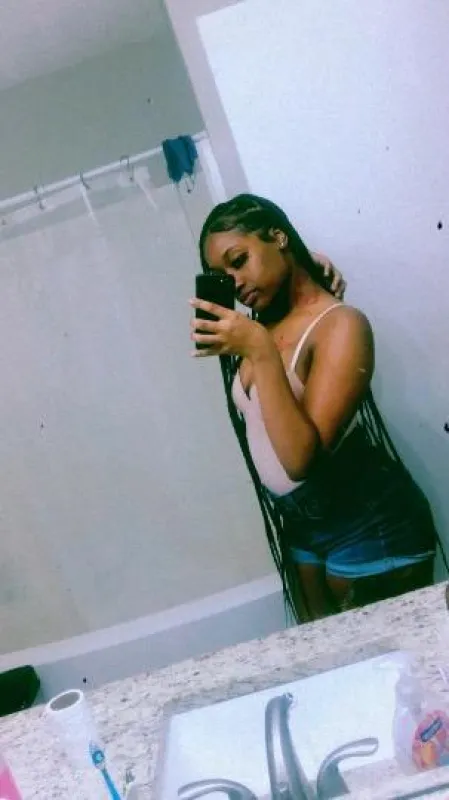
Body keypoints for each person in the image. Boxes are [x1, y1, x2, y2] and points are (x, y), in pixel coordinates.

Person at [190, 194, 439, 622]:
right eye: (221, 276)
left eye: (239, 260)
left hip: (369, 524)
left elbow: (299, 460)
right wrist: (304, 268)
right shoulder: (265, 319)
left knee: (380, 659)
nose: (235, 282)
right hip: (302, 529)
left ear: (278, 237)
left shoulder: (341, 324)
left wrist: (260, 350)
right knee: (326, 654)